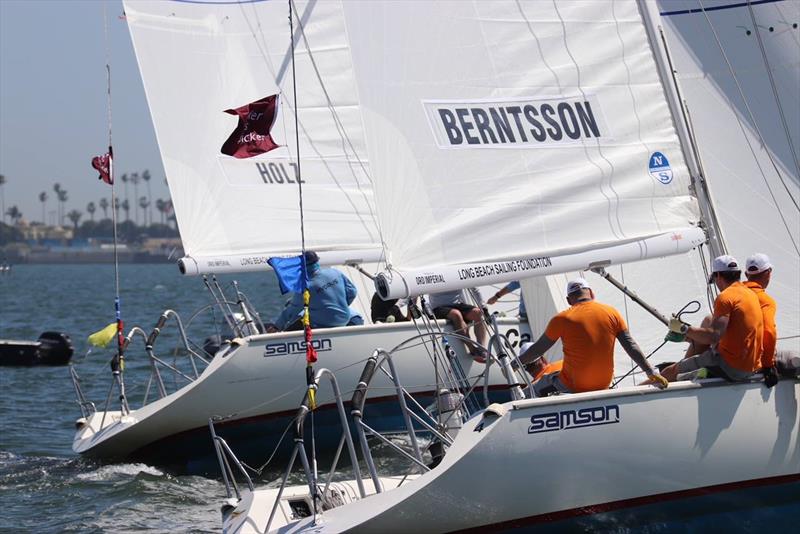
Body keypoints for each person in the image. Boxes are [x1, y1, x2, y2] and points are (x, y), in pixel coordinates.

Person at [518, 278, 667, 396]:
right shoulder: (612, 313)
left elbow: (537, 350)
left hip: (572, 386)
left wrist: (513, 364)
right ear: (591, 293)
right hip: (604, 384)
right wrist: (650, 372)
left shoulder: (562, 319)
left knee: (533, 389)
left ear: (569, 300)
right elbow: (631, 346)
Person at [659, 255, 763, 383]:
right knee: (709, 320)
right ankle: (698, 371)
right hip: (753, 367)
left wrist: (682, 328)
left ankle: (694, 374)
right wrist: (688, 336)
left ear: (718, 275)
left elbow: (713, 336)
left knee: (668, 373)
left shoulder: (725, 297)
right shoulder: (750, 294)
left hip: (732, 369)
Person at [268, 250, 359, 331]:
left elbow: (292, 310)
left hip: (323, 325)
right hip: (344, 318)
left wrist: (277, 326)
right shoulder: (335, 272)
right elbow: (352, 292)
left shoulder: (306, 286)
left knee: (294, 323)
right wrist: (339, 305)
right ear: (317, 261)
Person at [743, 253, 778, 387]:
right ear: (768, 273)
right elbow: (769, 332)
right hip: (752, 362)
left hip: (729, 358)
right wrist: (768, 366)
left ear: (746, 275)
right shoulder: (766, 301)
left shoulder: (733, 293)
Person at [428, 288, 488, 358]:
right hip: (438, 307)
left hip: (458, 304)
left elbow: (474, 289)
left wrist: (483, 306)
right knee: (456, 314)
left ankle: (482, 349)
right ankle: (472, 349)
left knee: (477, 313)